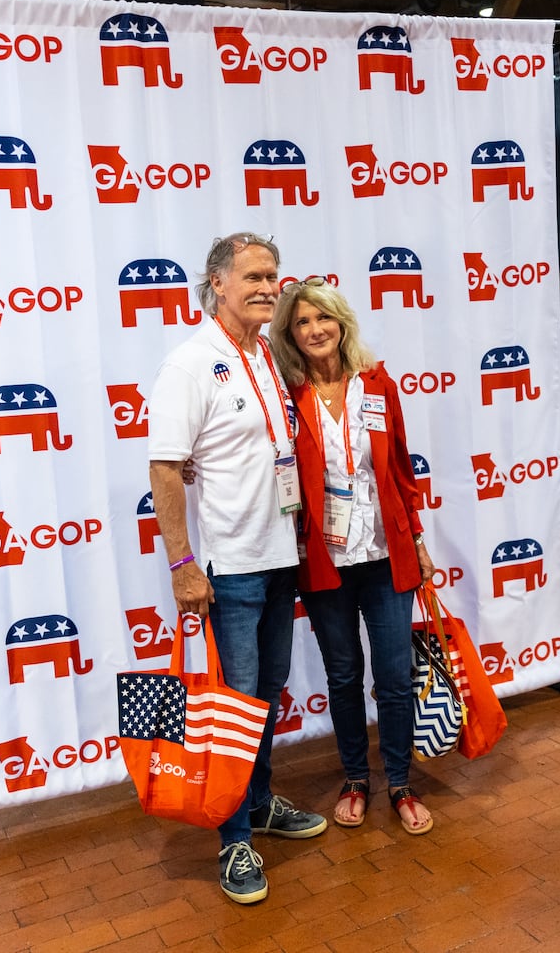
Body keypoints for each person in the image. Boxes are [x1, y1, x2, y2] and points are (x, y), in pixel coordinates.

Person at [147, 232, 328, 906]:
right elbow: (166, 465)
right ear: (217, 283)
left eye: (273, 275)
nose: (266, 286)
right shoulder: (191, 362)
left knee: (266, 693)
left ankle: (257, 804)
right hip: (231, 568)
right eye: (252, 275)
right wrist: (182, 564)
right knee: (233, 706)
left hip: (282, 559)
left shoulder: (268, 355)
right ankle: (233, 842)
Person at [268, 277, 438, 836]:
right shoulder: (285, 395)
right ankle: (355, 780)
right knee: (343, 677)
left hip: (386, 556)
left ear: (342, 323)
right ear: (290, 334)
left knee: (393, 675)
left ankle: (399, 782)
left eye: (324, 318)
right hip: (322, 561)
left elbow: (399, 472)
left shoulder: (377, 384)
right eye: (302, 322)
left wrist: (416, 538)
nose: (315, 330)